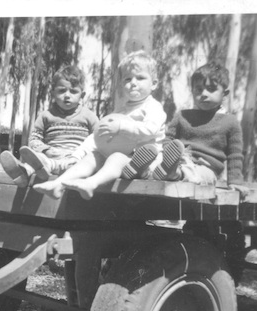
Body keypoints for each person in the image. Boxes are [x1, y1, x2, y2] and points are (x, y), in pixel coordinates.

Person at [33, 50, 167, 200]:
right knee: (94, 155)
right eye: (128, 79)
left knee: (116, 157)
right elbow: (97, 136)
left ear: (154, 83)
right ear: (122, 84)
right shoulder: (121, 110)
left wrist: (121, 127)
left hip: (145, 163)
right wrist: (77, 155)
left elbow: (150, 129)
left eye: (140, 78)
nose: (133, 83)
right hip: (123, 158)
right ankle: (58, 184)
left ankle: (91, 183)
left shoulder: (153, 107)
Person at [151, 62, 247, 195]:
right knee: (156, 165)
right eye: (199, 89)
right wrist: (171, 155)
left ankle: (175, 174)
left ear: (225, 94)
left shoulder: (230, 122)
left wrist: (235, 181)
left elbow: (234, 155)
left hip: (206, 169)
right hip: (179, 160)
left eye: (211, 89)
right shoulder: (182, 116)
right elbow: (168, 140)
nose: (204, 94)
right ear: (192, 91)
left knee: (198, 176)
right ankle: (146, 170)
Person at [0, 65, 99, 187]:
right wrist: (46, 150)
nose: (67, 95)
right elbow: (34, 139)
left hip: (74, 159)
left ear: (82, 95)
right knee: (38, 158)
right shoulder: (46, 116)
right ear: (53, 93)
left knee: (82, 165)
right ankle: (23, 172)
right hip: (50, 157)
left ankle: (38, 170)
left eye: (73, 91)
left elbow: (98, 138)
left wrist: (82, 154)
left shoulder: (89, 116)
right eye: (62, 90)